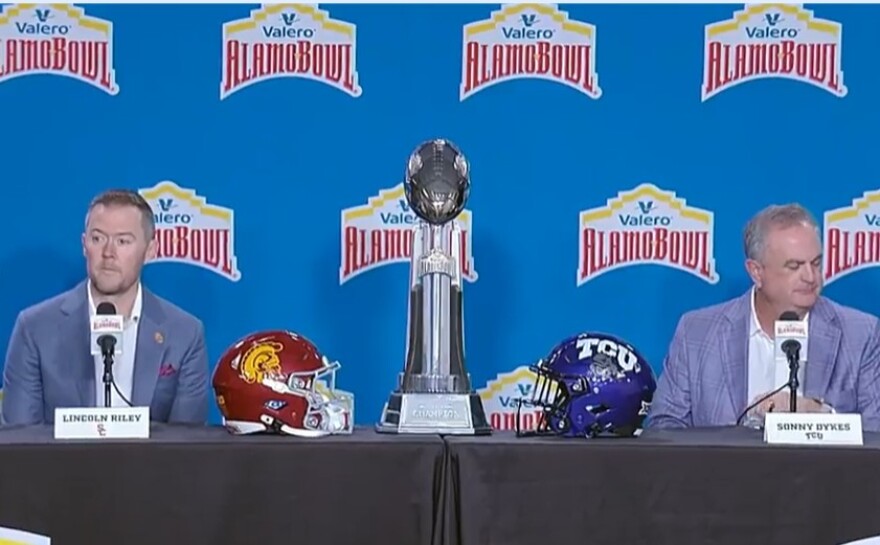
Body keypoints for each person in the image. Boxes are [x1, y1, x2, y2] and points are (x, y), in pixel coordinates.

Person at [647, 203, 880, 431]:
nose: (811, 277)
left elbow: (875, 432)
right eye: (794, 266)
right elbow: (665, 427)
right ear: (756, 272)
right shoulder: (697, 333)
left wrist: (821, 416)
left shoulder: (861, 335)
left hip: (824, 471)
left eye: (816, 263)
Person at [1, 189, 209, 425]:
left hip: (151, 463)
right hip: (59, 463)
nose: (108, 253)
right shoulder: (34, 328)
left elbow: (186, 444)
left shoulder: (185, 333)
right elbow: (21, 441)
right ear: (84, 244)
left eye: (123, 241)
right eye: (98, 238)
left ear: (150, 250)